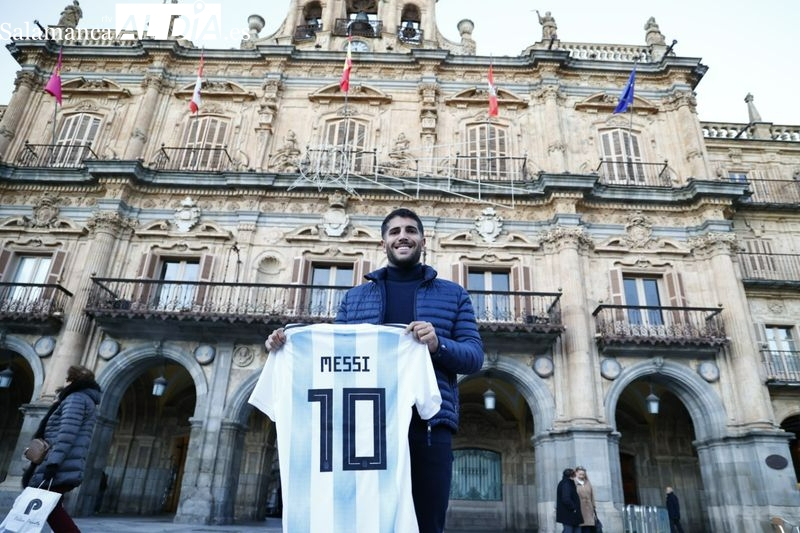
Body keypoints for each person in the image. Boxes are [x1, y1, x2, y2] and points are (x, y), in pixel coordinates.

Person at [266, 207, 484, 533]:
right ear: (384, 242)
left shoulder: (454, 295)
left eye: (410, 230)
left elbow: (474, 356)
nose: (403, 237)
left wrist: (438, 344)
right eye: (395, 232)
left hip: (428, 428)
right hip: (366, 431)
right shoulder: (355, 298)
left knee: (427, 522)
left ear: (423, 240)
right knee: (364, 521)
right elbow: (334, 358)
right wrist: (286, 346)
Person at [23, 365, 102, 533]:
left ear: (73, 380)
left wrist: (53, 464)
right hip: (65, 462)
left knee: (49, 507)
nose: (64, 381)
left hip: (60, 464)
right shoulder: (81, 399)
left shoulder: (76, 399)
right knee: (50, 507)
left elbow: (66, 434)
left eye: (67, 378)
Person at [556, 468, 583, 533]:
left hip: (571, 515)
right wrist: (574, 508)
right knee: (569, 531)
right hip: (569, 514)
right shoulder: (566, 483)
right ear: (571, 476)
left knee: (576, 530)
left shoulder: (567, 483)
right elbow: (566, 499)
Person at [574, 466, 596, 532]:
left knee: (588, 528)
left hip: (589, 509)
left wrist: (593, 507)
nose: (582, 476)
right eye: (580, 474)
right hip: (579, 509)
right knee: (579, 528)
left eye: (583, 474)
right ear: (576, 473)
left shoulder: (587, 483)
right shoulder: (573, 482)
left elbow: (592, 496)